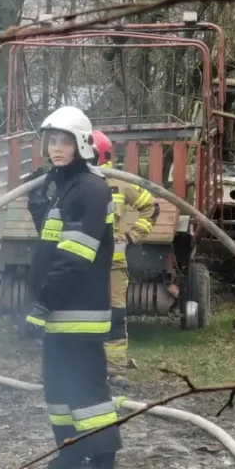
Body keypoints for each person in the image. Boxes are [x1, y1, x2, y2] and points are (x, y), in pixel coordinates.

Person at [22, 106, 121, 469]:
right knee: (59, 392)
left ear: (81, 144)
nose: (56, 148)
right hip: (61, 310)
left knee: (87, 393)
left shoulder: (90, 189)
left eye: (64, 141)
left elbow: (75, 256)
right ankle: (68, 458)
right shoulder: (64, 187)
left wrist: (42, 303)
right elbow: (52, 243)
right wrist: (37, 208)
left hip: (77, 309)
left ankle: (101, 466)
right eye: (51, 141)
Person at [91, 130, 159, 381]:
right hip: (80, 265)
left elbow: (152, 207)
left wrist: (131, 236)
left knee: (114, 317)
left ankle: (115, 369)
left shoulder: (119, 182)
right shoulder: (72, 181)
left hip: (112, 267)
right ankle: (83, 366)